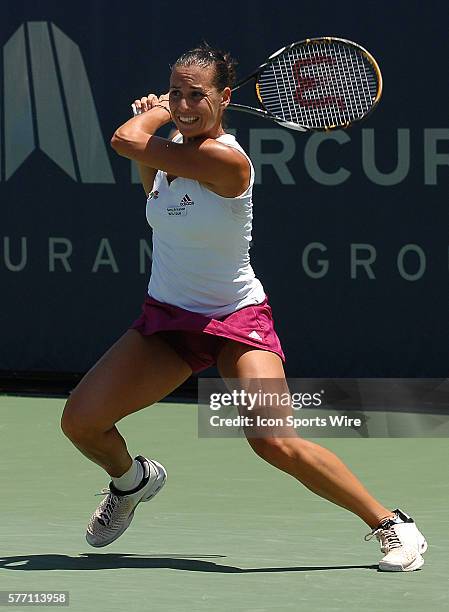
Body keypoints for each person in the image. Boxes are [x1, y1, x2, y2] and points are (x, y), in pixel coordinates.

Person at [61, 44, 427, 571]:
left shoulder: (226, 160)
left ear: (225, 97)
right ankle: (132, 480)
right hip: (167, 321)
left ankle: (392, 524)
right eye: (178, 92)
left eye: (196, 95)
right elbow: (153, 187)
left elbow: (123, 140)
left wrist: (156, 114)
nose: (185, 105)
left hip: (235, 319)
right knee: (80, 422)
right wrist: (158, 128)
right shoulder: (173, 152)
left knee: (273, 441)